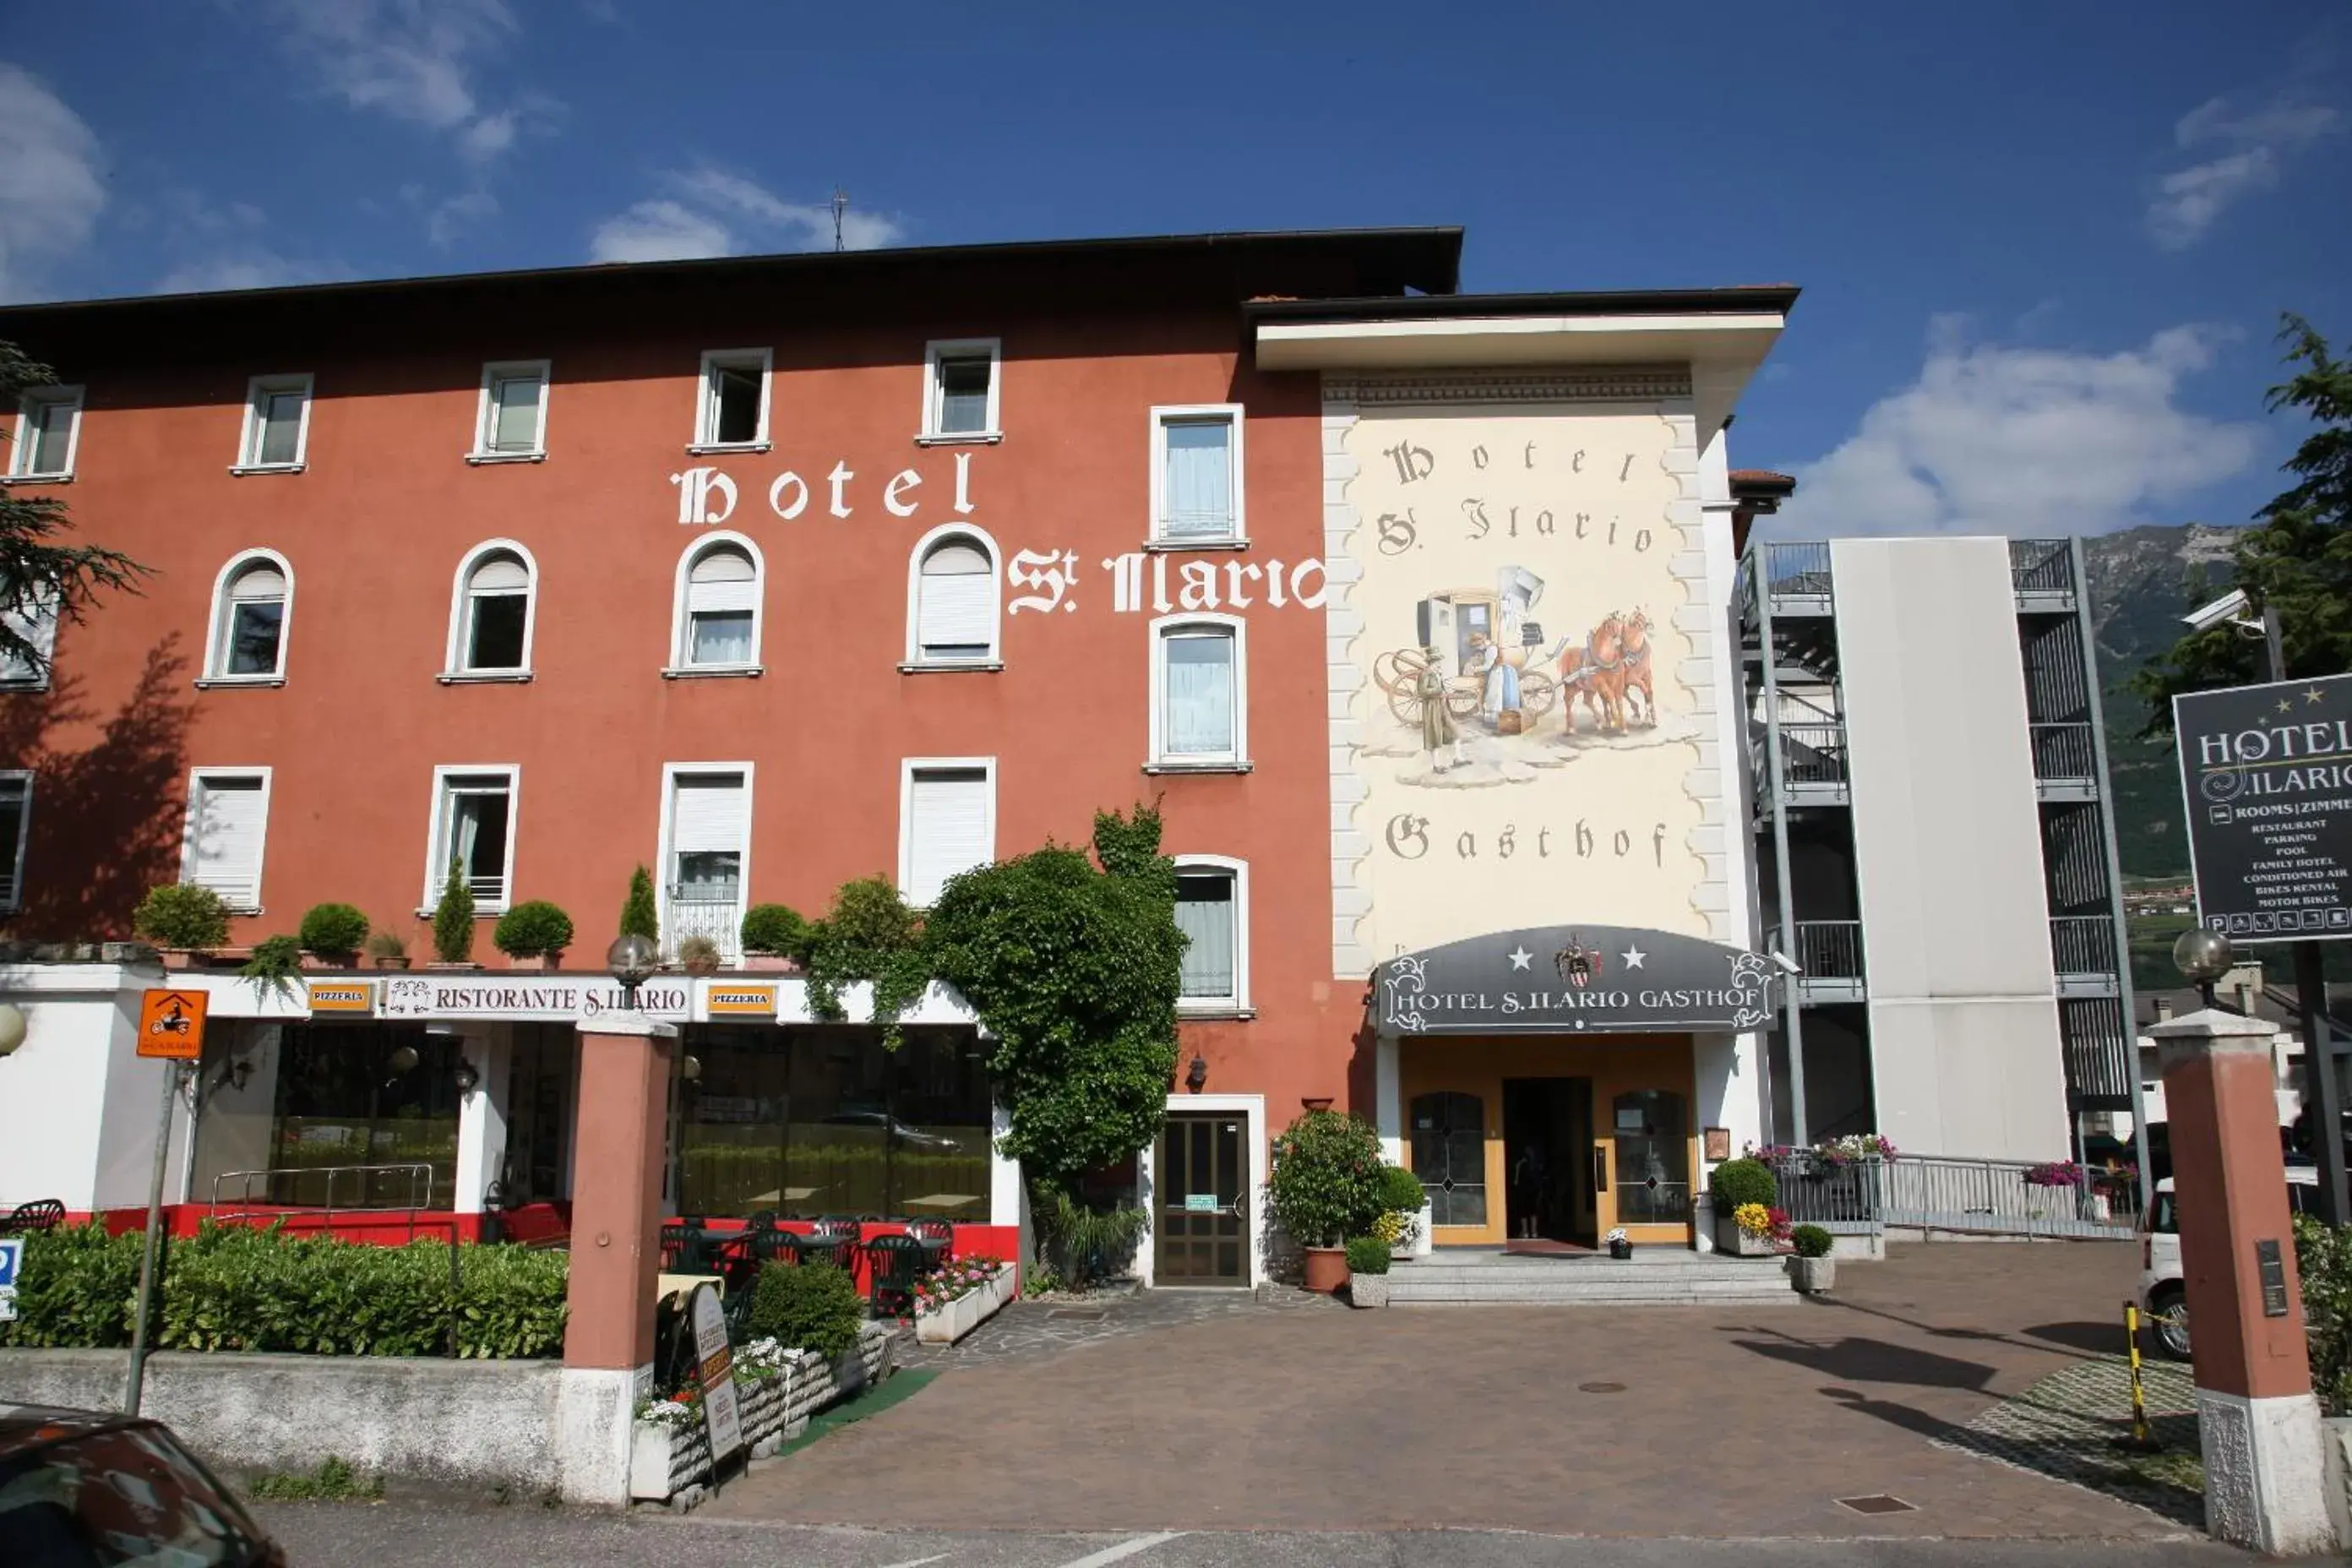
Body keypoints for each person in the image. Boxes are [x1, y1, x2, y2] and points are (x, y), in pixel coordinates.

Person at [1417, 645, 1466, 772]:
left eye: (1439, 661)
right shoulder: (1425, 674)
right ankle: (1436, 765)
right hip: (1432, 707)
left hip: (1442, 706)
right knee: (1435, 735)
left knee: (1454, 731)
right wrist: (1438, 691)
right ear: (1431, 662)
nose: (1439, 663)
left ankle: (1458, 758)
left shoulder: (1437, 673)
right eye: (1437, 661)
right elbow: (1422, 692)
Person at [1468, 629, 1520, 722]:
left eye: (1477, 646)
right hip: (1494, 671)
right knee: (1492, 696)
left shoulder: (1491, 649)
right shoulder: (1489, 647)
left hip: (1497, 673)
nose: (1477, 649)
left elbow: (1488, 666)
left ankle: (1495, 720)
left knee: (1494, 696)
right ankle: (1493, 719)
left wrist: (1474, 669)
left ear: (1481, 642)